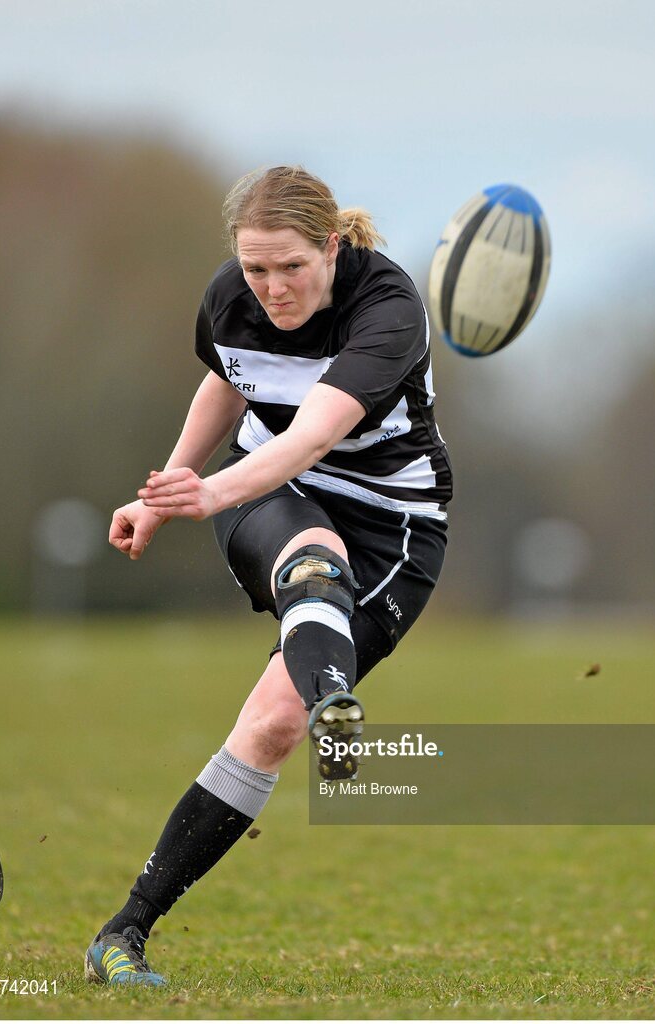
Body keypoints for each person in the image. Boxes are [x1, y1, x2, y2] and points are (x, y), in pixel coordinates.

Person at [84, 166, 452, 986]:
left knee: (270, 728)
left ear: (330, 246)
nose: (272, 287)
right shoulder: (229, 296)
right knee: (311, 559)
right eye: (256, 269)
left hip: (394, 524)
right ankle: (337, 704)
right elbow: (227, 381)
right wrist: (165, 489)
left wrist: (208, 492)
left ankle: (121, 930)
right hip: (273, 495)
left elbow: (315, 435)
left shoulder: (387, 308)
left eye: (291, 266)